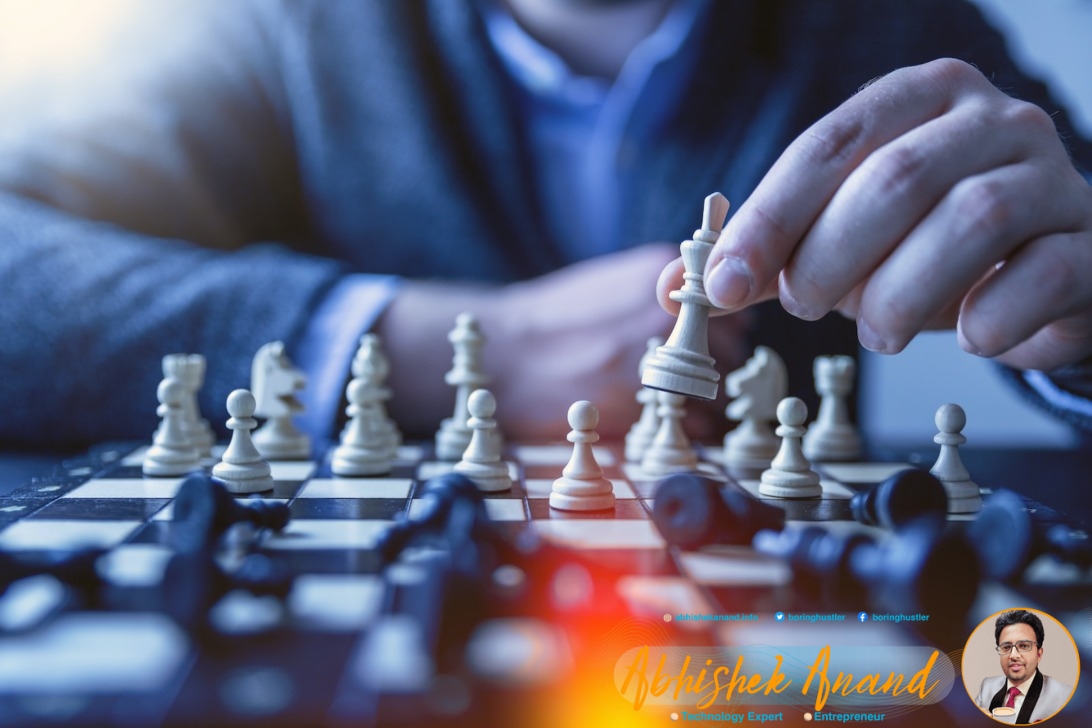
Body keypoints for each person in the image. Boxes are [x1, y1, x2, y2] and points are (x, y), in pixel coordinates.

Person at [0, 0, 1090, 449]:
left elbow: (1062, 236)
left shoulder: (887, 28)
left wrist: (1083, 333)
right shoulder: (269, 30)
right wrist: (438, 347)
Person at [974, 609, 1073, 723]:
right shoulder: (987, 686)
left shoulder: (1063, 696)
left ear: (1039, 654)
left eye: (1024, 646)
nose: (1013, 655)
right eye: (1006, 647)